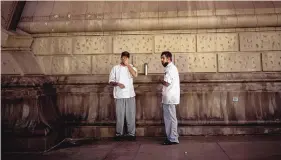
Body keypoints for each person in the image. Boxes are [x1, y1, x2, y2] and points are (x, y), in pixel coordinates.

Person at [109, 51, 138, 141]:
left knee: (131, 115)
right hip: (119, 95)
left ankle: (131, 134)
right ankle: (119, 134)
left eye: (126, 58)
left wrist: (128, 65)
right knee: (120, 115)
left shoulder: (132, 67)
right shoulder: (115, 68)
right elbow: (111, 81)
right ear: (121, 58)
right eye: (123, 57)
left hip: (130, 95)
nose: (124, 59)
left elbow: (135, 75)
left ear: (128, 58)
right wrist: (118, 84)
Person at [159, 51, 180, 145]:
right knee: (168, 118)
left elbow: (167, 83)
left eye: (163, 58)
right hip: (168, 97)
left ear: (169, 58)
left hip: (170, 97)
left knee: (171, 118)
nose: (161, 60)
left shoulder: (171, 69)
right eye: (161, 58)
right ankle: (171, 137)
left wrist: (160, 80)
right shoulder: (169, 68)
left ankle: (173, 138)